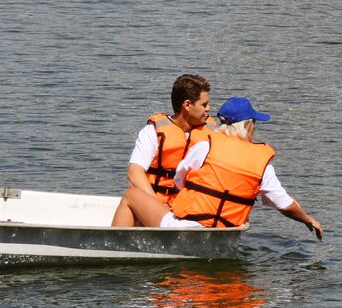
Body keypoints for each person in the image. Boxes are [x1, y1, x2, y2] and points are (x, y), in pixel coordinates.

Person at [118, 96, 323, 240]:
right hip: (223, 231)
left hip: (185, 226)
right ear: (248, 125)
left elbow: (180, 180)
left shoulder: (205, 146)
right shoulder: (262, 163)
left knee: (132, 195)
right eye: (254, 123)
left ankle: (115, 246)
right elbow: (284, 203)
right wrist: (308, 219)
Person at [110, 74, 215, 227]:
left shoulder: (212, 134)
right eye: (204, 104)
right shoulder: (153, 131)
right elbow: (134, 172)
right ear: (187, 105)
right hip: (157, 205)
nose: (209, 109)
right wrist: (157, 206)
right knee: (132, 196)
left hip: (190, 210)